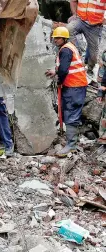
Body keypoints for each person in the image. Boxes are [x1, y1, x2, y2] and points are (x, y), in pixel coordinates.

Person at [45, 27, 88, 157]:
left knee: (71, 113)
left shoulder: (66, 50)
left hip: (74, 86)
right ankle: (72, 142)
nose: (56, 40)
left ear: (64, 38)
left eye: (58, 38)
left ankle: (71, 145)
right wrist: (56, 71)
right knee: (71, 112)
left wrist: (59, 81)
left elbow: (64, 70)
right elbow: (64, 67)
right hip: (77, 85)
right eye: (55, 38)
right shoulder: (69, 47)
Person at [68, 0, 106, 79]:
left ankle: (89, 70)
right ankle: (78, 54)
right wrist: (74, 14)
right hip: (80, 20)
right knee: (69, 29)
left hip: (95, 26)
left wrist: (104, 19)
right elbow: (73, 1)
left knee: (93, 56)